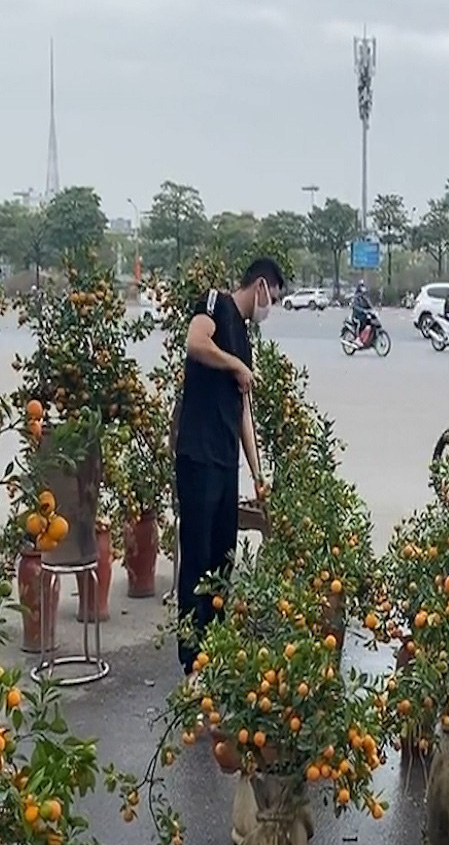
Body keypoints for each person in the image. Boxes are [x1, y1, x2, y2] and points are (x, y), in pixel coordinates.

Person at [174, 257, 284, 674]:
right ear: (259, 286)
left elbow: (243, 413)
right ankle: (191, 658)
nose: (268, 307)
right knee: (197, 557)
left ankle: (214, 649)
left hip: (225, 461)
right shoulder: (215, 304)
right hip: (197, 456)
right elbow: (195, 344)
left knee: (223, 558)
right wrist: (235, 364)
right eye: (271, 298)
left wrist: (257, 475)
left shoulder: (246, 339)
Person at [350, 280, 376, 346]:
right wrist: (362, 310)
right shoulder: (356, 297)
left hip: (364, 316)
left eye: (364, 287)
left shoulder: (365, 297)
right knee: (360, 324)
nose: (363, 289)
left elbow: (369, 304)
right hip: (357, 316)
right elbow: (355, 306)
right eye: (362, 287)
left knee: (369, 323)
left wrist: (373, 310)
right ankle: (358, 339)